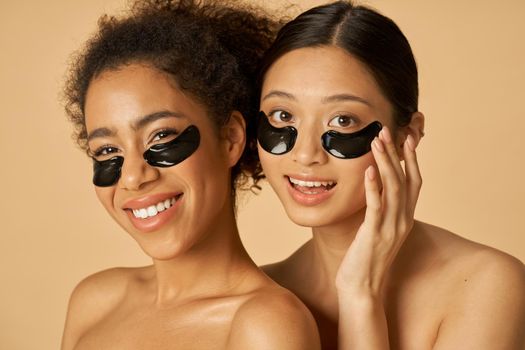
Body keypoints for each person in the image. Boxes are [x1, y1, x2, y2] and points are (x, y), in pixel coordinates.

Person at [256, 1, 525, 349]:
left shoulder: (486, 285)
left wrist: (359, 293)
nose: (305, 154)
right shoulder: (261, 295)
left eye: (342, 120)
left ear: (406, 136)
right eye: (282, 115)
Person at [60, 1, 320, 349]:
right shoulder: (93, 302)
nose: (133, 177)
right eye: (108, 151)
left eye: (162, 136)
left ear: (230, 139)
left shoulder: (266, 325)